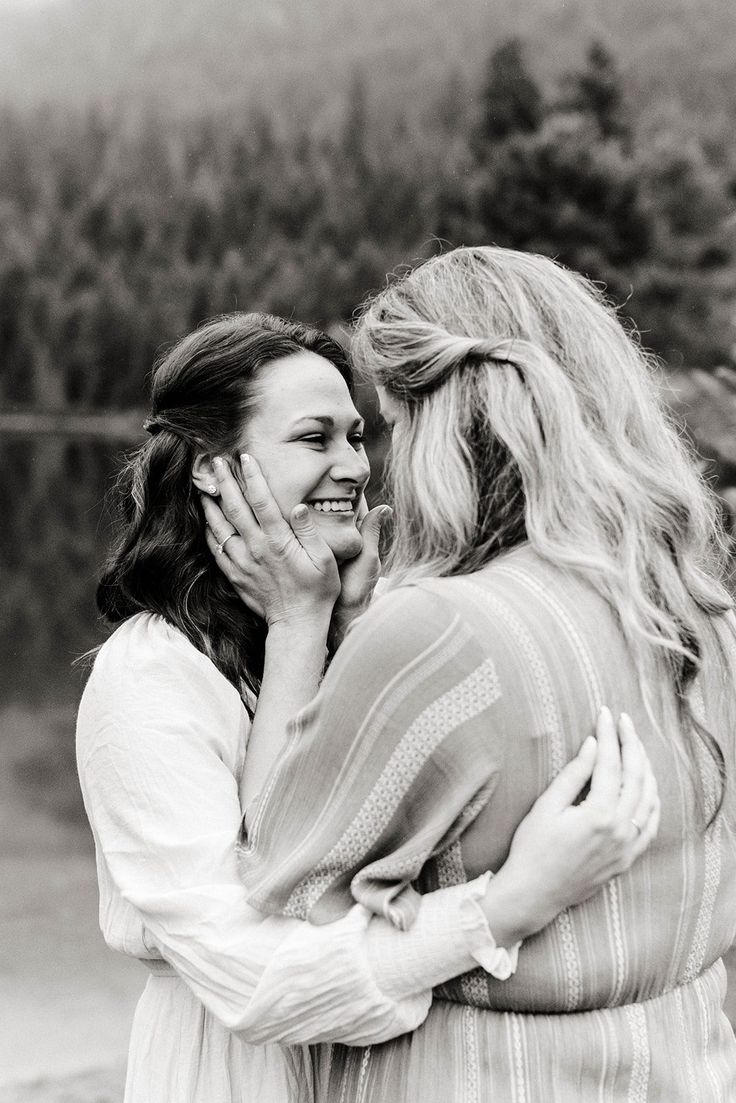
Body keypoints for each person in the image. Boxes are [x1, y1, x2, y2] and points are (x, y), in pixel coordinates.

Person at [77, 312, 659, 1103]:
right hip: (238, 1076)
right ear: (214, 470)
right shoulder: (150, 674)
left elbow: (361, 862)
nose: (354, 465)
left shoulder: (364, 618)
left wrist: (341, 630)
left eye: (358, 436)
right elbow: (256, 972)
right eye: (316, 439)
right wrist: (503, 907)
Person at [207, 250, 736, 1101]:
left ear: (442, 422)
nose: (380, 464)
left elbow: (275, 878)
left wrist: (298, 623)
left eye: (390, 425)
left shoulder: (441, 630)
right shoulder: (701, 618)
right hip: (683, 1066)